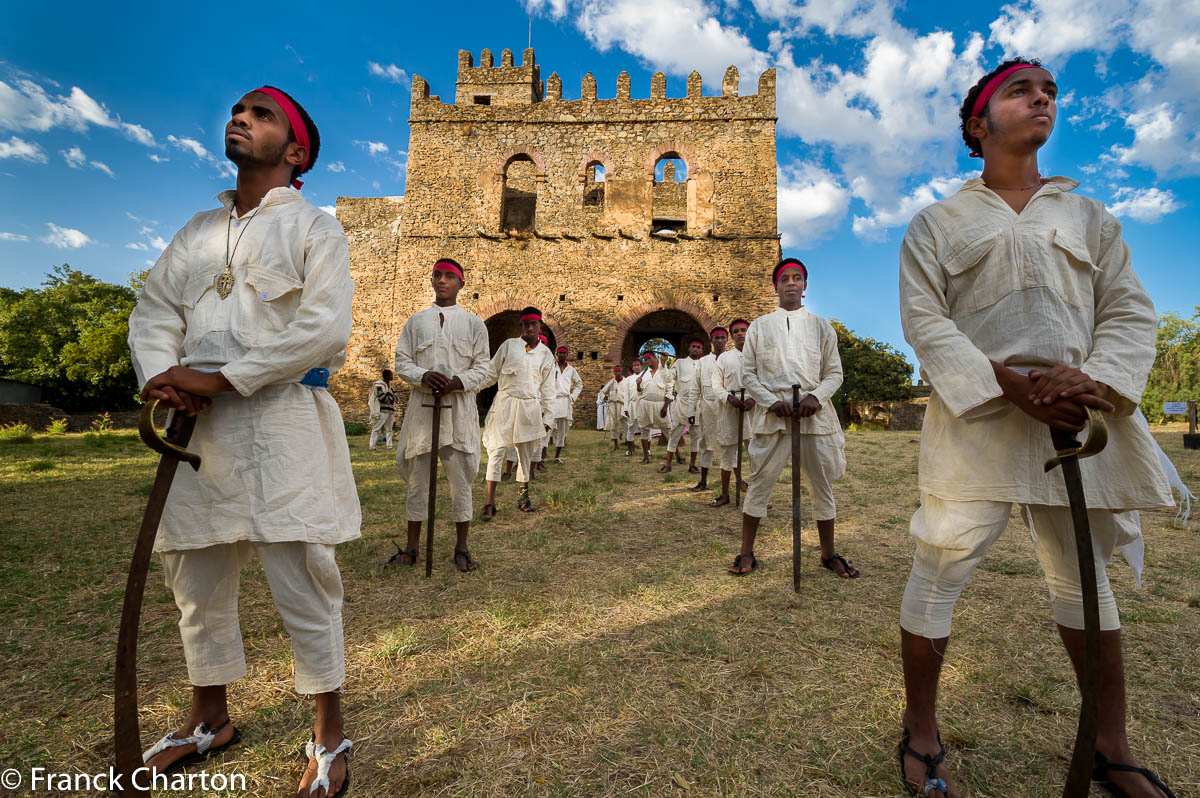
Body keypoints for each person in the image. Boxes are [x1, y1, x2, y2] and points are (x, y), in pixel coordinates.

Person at [896, 58, 1175, 797]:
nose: (1043, 99)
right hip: (980, 414)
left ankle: (1109, 747)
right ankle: (921, 730)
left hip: (1075, 415)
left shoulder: (1087, 217)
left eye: (1050, 92)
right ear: (977, 122)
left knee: (1085, 581)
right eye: (1022, 90)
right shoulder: (938, 223)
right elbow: (926, 322)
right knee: (939, 569)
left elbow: (1127, 309)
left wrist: (1096, 380)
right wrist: (1007, 385)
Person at [128, 86, 357, 797]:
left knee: (303, 576)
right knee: (194, 576)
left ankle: (327, 732)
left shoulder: (315, 228)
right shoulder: (196, 230)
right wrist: (161, 374)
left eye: (261, 115)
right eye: (238, 111)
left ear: (295, 152)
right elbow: (155, 307)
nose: (240, 118)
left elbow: (323, 329)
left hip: (281, 418)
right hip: (196, 431)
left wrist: (223, 379)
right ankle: (209, 718)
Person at [728, 258, 857, 582]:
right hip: (774, 417)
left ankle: (828, 554)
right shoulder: (760, 326)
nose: (790, 283)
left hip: (814, 416)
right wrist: (772, 402)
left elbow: (834, 373)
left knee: (822, 485)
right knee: (759, 483)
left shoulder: (821, 326)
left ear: (805, 286)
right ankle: (747, 551)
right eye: (784, 278)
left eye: (797, 278)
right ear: (776, 286)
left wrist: (816, 397)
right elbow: (749, 373)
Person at [391, 258, 490, 573]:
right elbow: (402, 361)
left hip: (457, 411)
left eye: (449, 276)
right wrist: (423, 376)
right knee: (418, 482)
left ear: (461, 283)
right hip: (422, 411)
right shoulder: (416, 321)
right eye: (437, 275)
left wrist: (459, 382)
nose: (442, 281)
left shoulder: (474, 324)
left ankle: (461, 547)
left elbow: (484, 367)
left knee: (460, 480)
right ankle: (412, 547)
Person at [479, 307, 555, 517]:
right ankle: (489, 502)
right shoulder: (509, 346)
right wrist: (469, 387)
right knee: (496, 450)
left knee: (525, 454)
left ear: (540, 325)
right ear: (521, 326)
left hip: (529, 408)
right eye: (526, 324)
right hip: (505, 403)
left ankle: (523, 497)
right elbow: (490, 374)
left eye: (534, 324)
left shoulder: (546, 354)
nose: (530, 328)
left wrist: (548, 416)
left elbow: (548, 388)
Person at [709, 319, 752, 507]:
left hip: (753, 411)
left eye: (744, 330)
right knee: (728, 452)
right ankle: (725, 494)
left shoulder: (758, 355)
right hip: (730, 408)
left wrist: (755, 399)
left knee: (757, 453)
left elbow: (768, 381)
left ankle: (757, 496)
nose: (740, 333)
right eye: (736, 331)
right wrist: (728, 398)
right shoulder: (724, 358)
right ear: (732, 336)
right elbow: (716, 385)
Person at [689, 327, 727, 492]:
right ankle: (703, 481)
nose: (719, 341)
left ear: (726, 340)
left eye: (722, 338)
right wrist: (691, 411)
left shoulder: (733, 358)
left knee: (730, 444)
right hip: (708, 409)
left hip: (728, 409)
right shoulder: (703, 362)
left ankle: (737, 481)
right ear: (712, 341)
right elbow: (695, 389)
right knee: (707, 444)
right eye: (716, 338)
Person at [663, 338, 704, 473]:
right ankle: (668, 464)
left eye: (698, 347)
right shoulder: (680, 363)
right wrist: (663, 364)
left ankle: (692, 465)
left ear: (701, 350)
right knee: (674, 433)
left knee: (695, 436)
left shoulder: (704, 364)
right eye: (693, 346)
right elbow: (669, 377)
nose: (696, 349)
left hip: (698, 405)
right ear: (689, 348)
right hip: (681, 404)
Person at [634, 350, 673, 465]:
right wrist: (637, 384)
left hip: (660, 404)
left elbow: (670, 387)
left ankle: (676, 454)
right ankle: (646, 456)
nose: (647, 361)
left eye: (649, 358)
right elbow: (639, 391)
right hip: (645, 404)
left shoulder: (664, 371)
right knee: (644, 430)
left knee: (668, 430)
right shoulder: (644, 374)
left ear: (655, 358)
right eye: (645, 360)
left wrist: (665, 406)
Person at [549, 346, 583, 463]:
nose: (562, 355)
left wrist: (573, 397)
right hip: (553, 400)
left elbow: (579, 384)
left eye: (564, 353)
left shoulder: (571, 370)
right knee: (548, 427)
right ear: (557, 354)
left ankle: (557, 456)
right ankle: (541, 457)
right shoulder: (551, 367)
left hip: (565, 401)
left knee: (562, 430)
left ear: (567, 355)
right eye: (560, 353)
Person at [367, 369, 397, 450]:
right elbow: (382, 398)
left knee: (389, 430)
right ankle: (372, 446)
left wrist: (389, 395)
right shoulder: (379, 385)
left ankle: (389, 446)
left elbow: (396, 399)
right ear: (387, 376)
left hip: (390, 410)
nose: (392, 376)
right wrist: (390, 396)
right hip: (382, 410)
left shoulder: (391, 387)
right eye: (391, 375)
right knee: (376, 428)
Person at [599, 364, 625, 450]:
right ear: (613, 372)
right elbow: (602, 392)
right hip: (612, 405)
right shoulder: (611, 382)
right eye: (615, 371)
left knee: (624, 423)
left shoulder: (626, 382)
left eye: (619, 371)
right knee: (613, 424)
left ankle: (629, 443)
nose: (617, 373)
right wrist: (604, 397)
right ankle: (616, 444)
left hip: (622, 405)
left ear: (621, 371)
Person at [621, 359, 644, 456]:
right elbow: (626, 394)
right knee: (631, 427)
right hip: (632, 404)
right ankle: (630, 449)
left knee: (646, 427)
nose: (636, 367)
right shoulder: (629, 379)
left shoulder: (646, 376)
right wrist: (626, 408)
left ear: (641, 366)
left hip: (643, 404)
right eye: (634, 365)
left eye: (638, 365)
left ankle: (647, 450)